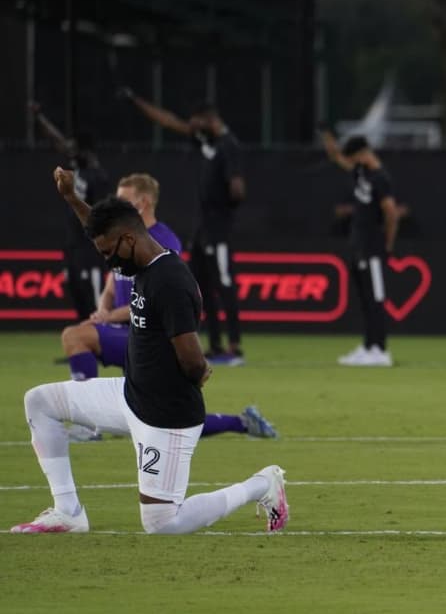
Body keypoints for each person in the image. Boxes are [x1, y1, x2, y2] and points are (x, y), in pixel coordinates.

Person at [10, 172, 288, 534]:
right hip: (129, 395)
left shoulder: (170, 281)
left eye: (110, 253)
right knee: (40, 402)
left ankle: (262, 484)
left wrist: (200, 369)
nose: (109, 262)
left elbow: (191, 360)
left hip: (166, 416)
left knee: (161, 525)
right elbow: (104, 225)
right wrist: (71, 199)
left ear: (128, 240)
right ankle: (69, 512)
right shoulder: (138, 254)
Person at [56, 173, 276, 440]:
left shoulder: (159, 243)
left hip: (150, 335)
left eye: (124, 200)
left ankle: (88, 426)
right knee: (154, 419)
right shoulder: (121, 239)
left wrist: (109, 316)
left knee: (76, 337)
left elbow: (158, 296)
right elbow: (112, 281)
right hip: (130, 332)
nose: (117, 205)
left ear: (143, 202)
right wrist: (103, 308)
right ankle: (241, 422)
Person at [123, 89, 246, 365]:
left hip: (219, 229)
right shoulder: (206, 139)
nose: (192, 128)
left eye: (196, 123)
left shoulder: (229, 146)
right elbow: (170, 122)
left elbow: (238, 189)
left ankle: (235, 346)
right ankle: (214, 345)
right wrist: (137, 101)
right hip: (202, 229)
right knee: (203, 286)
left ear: (209, 120)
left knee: (225, 283)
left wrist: (223, 204)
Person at [322, 131, 399, 366]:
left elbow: (391, 213)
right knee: (365, 299)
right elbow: (339, 158)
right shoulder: (360, 171)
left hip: (374, 246)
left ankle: (380, 350)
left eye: (354, 157)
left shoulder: (380, 177)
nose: (352, 162)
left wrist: (388, 243)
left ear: (364, 154)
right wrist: (328, 137)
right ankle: (368, 346)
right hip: (359, 246)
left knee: (376, 299)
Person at [32, 102, 111, 321]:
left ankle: (103, 341)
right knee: (77, 292)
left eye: (75, 148)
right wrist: (40, 118)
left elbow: (102, 213)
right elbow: (58, 141)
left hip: (90, 245)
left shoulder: (98, 177)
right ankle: (84, 343)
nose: (70, 151)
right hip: (73, 244)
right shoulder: (76, 169)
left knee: (94, 295)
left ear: (86, 150)